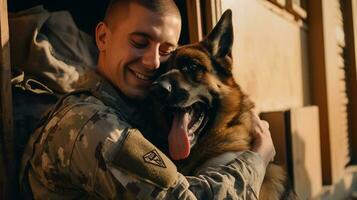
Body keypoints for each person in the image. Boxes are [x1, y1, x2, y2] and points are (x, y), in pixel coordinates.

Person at [20, 0, 276, 199]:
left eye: (166, 51)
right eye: (139, 42)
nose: (153, 62)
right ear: (102, 37)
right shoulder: (94, 125)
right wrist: (258, 159)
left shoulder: (127, 109)